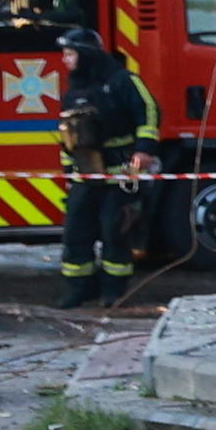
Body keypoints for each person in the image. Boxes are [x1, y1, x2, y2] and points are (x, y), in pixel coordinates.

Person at [51, 22, 153, 309]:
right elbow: (68, 137)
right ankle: (79, 289)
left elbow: (149, 111)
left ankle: (114, 291)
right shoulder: (74, 90)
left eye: (70, 54)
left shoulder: (121, 81)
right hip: (85, 177)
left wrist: (144, 150)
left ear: (86, 54)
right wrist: (70, 174)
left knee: (114, 232)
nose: (65, 60)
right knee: (76, 234)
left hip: (120, 174)